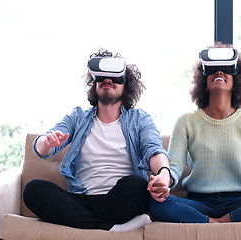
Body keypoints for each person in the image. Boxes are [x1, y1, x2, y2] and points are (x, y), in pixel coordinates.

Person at [23, 49, 173, 232]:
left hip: (120, 200)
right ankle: (110, 227)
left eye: (115, 78)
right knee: (33, 190)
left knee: (137, 185)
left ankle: (85, 223)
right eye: (102, 77)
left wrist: (164, 174)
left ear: (126, 85)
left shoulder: (140, 119)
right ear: (94, 84)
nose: (108, 81)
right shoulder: (77, 117)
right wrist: (46, 143)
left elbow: (154, 150)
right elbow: (42, 147)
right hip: (82, 199)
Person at [149, 43, 241, 224]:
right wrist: (163, 179)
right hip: (199, 202)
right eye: (212, 70)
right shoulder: (185, 121)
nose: (219, 73)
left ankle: (217, 222)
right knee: (156, 204)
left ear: (236, 82)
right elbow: (174, 168)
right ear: (204, 83)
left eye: (226, 69)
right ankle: (214, 221)